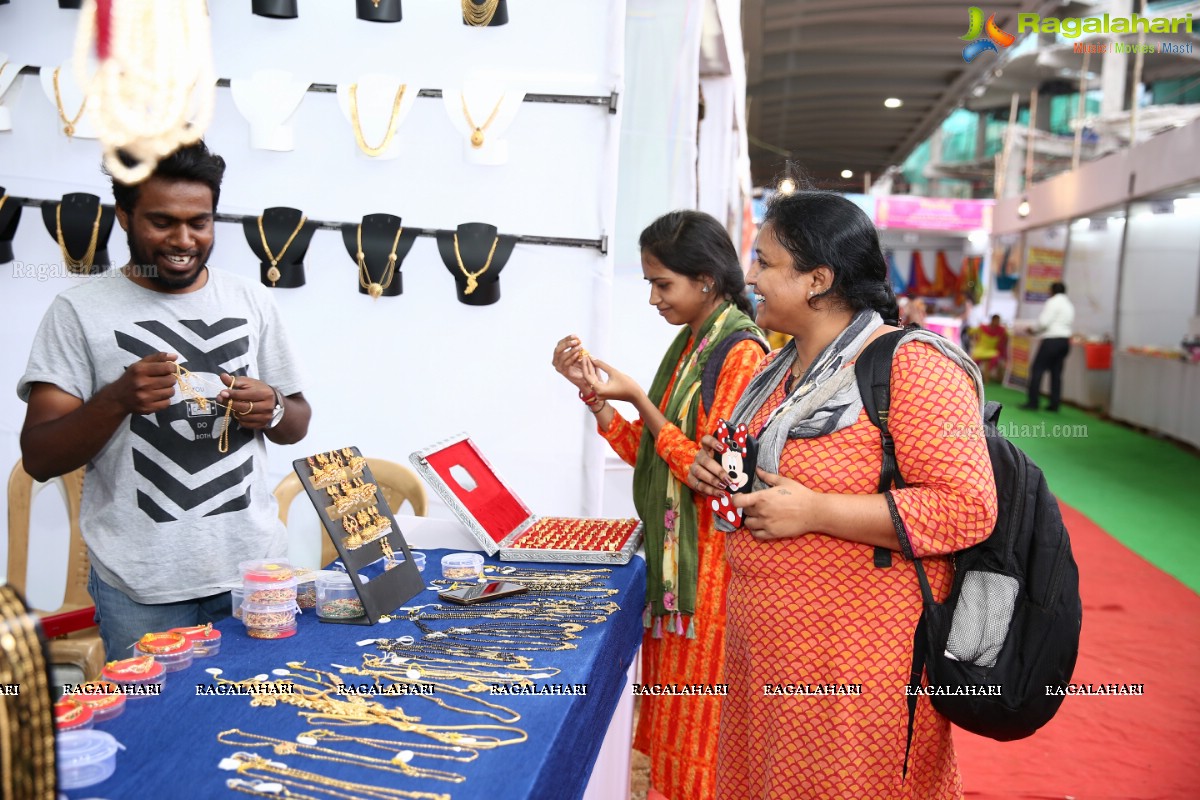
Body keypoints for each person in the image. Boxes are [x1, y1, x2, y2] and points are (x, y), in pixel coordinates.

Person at [687, 191, 998, 799]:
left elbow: (968, 507)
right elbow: (760, 470)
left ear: (818, 280)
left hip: (860, 663)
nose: (748, 275)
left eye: (764, 261)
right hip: (767, 646)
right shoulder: (774, 372)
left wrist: (817, 511)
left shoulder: (913, 368)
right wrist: (715, 469)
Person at [17, 141, 311, 659]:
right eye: (162, 222)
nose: (183, 240)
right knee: (152, 728)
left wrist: (275, 409)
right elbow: (40, 457)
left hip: (251, 573)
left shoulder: (251, 300)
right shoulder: (78, 310)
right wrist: (116, 400)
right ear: (125, 217)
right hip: (141, 587)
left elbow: (297, 421)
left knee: (252, 712)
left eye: (200, 222)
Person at [552, 210, 766, 800]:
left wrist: (641, 400)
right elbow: (657, 453)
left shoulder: (741, 351)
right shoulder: (694, 344)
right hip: (680, 574)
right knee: (672, 735)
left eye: (662, 283)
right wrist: (597, 399)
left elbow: (713, 473)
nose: (652, 298)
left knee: (699, 743)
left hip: (712, 577)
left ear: (706, 280)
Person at [1022, 281, 1074, 411]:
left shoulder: (1052, 302)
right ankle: (1054, 403)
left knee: (1037, 370)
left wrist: (1033, 330)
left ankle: (1033, 402)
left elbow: (1043, 322)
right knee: (1056, 373)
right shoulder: (1069, 304)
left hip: (1051, 340)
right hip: (1065, 341)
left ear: (1052, 291)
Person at [971, 314, 1009, 383]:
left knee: (995, 357)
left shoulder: (1001, 330)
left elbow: (1008, 335)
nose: (997, 322)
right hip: (981, 349)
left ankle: (986, 375)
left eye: (998, 321)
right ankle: (973, 374)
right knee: (975, 359)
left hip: (992, 351)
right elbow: (972, 331)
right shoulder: (983, 327)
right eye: (996, 320)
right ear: (992, 320)